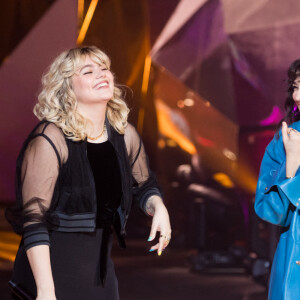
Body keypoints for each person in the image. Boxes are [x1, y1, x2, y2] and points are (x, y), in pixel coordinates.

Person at [6, 46, 171, 300]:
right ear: (67, 88)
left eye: (104, 68)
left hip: (101, 281)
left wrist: (158, 207)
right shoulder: (50, 139)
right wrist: (46, 291)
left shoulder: (124, 135)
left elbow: (145, 185)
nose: (102, 74)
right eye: (88, 71)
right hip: (50, 279)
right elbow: (34, 220)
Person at [255, 59, 300, 300]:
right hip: (294, 269)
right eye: (295, 86)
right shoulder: (284, 140)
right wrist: (291, 164)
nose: (297, 95)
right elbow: (269, 210)